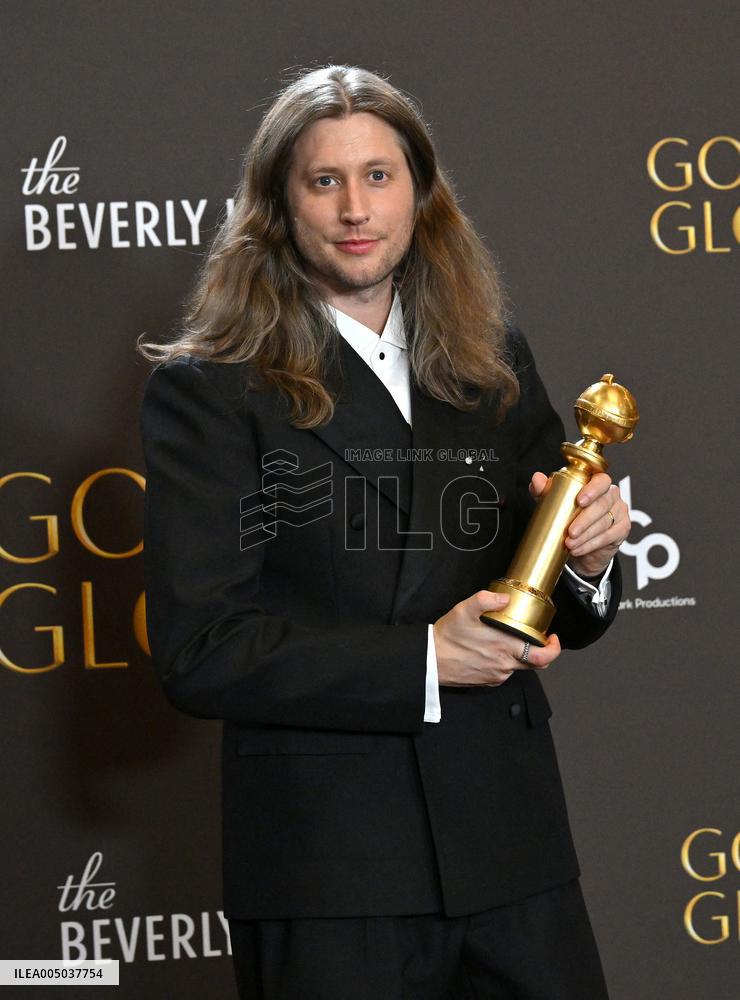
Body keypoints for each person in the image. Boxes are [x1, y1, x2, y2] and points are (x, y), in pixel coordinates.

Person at [138, 65, 629, 999]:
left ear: (421, 193)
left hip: (513, 851)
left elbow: (558, 606)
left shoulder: (490, 357)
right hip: (333, 870)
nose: (356, 209)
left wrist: (590, 560)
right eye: (324, 181)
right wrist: (422, 661)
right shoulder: (211, 388)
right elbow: (201, 650)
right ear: (278, 206)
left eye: (379, 176)